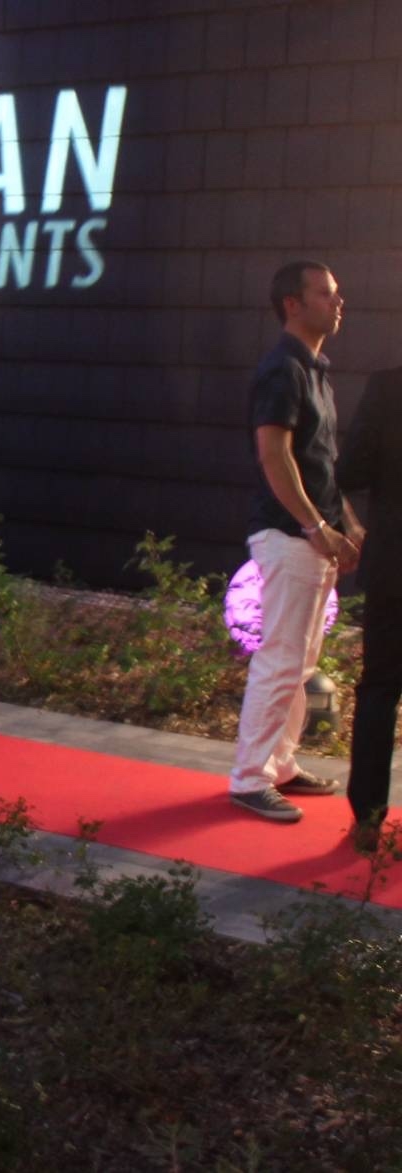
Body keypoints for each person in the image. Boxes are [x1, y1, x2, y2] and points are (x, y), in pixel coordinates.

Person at [228, 262, 362, 822]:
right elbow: (274, 456)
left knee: (300, 663)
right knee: (282, 658)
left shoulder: (312, 371)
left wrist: (345, 523)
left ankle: (279, 765)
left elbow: (319, 463)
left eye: (336, 293)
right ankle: (249, 778)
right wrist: (315, 527)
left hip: (310, 537)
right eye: (326, 293)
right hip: (289, 537)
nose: (338, 302)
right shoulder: (282, 369)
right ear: (293, 303)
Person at [337, 360, 402, 851]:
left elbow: (350, 471)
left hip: (393, 562)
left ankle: (368, 819)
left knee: (380, 686)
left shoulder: (387, 385)